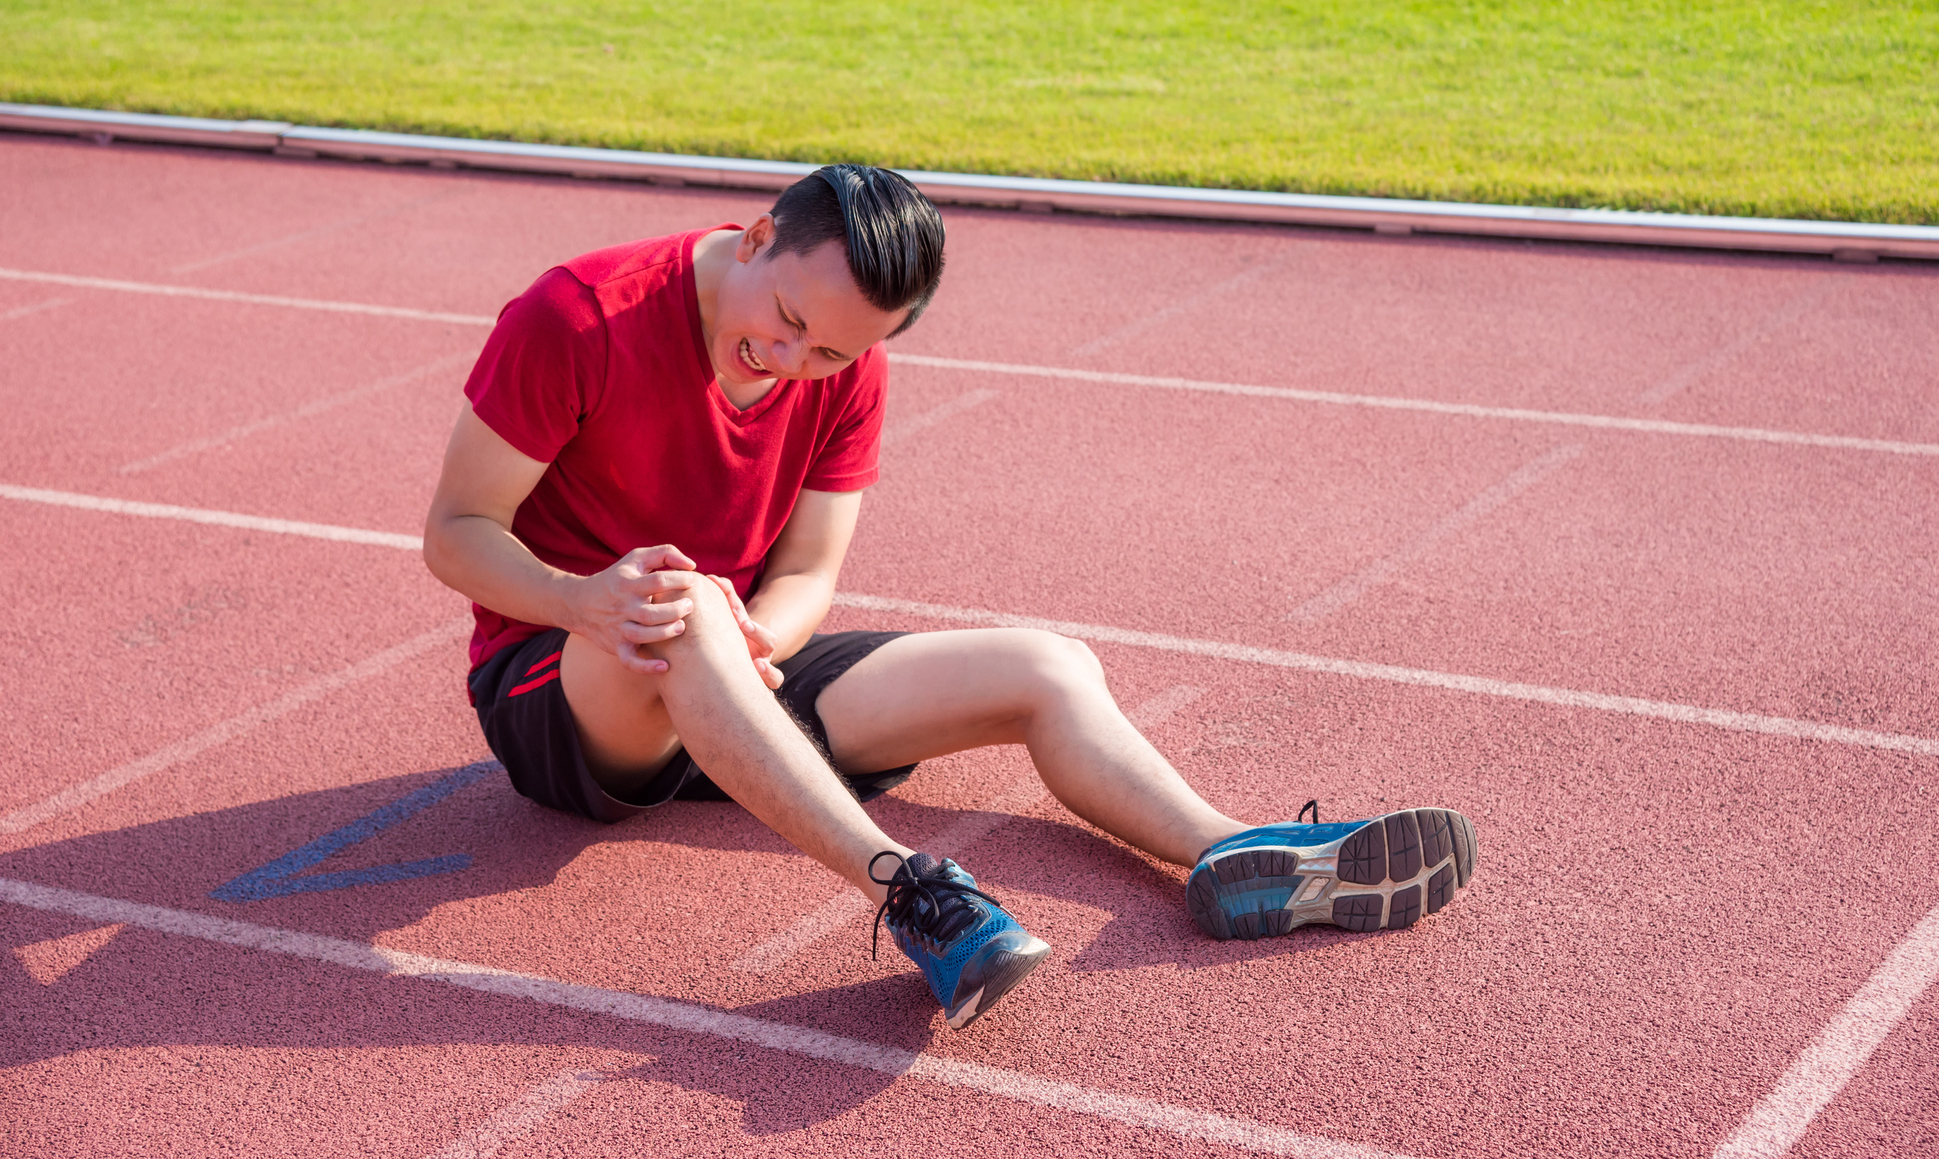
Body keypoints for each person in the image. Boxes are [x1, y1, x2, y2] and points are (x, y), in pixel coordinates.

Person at [422, 164, 1476, 1029]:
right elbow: (455, 535)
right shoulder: (581, 317)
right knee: (686, 604)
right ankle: (910, 894)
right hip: (560, 681)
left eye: (830, 350)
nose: (792, 362)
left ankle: (1231, 851)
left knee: (1045, 666)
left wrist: (754, 641)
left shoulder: (846, 369)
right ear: (752, 240)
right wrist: (583, 599)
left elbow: (804, 577)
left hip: (729, 670)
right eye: (785, 322)